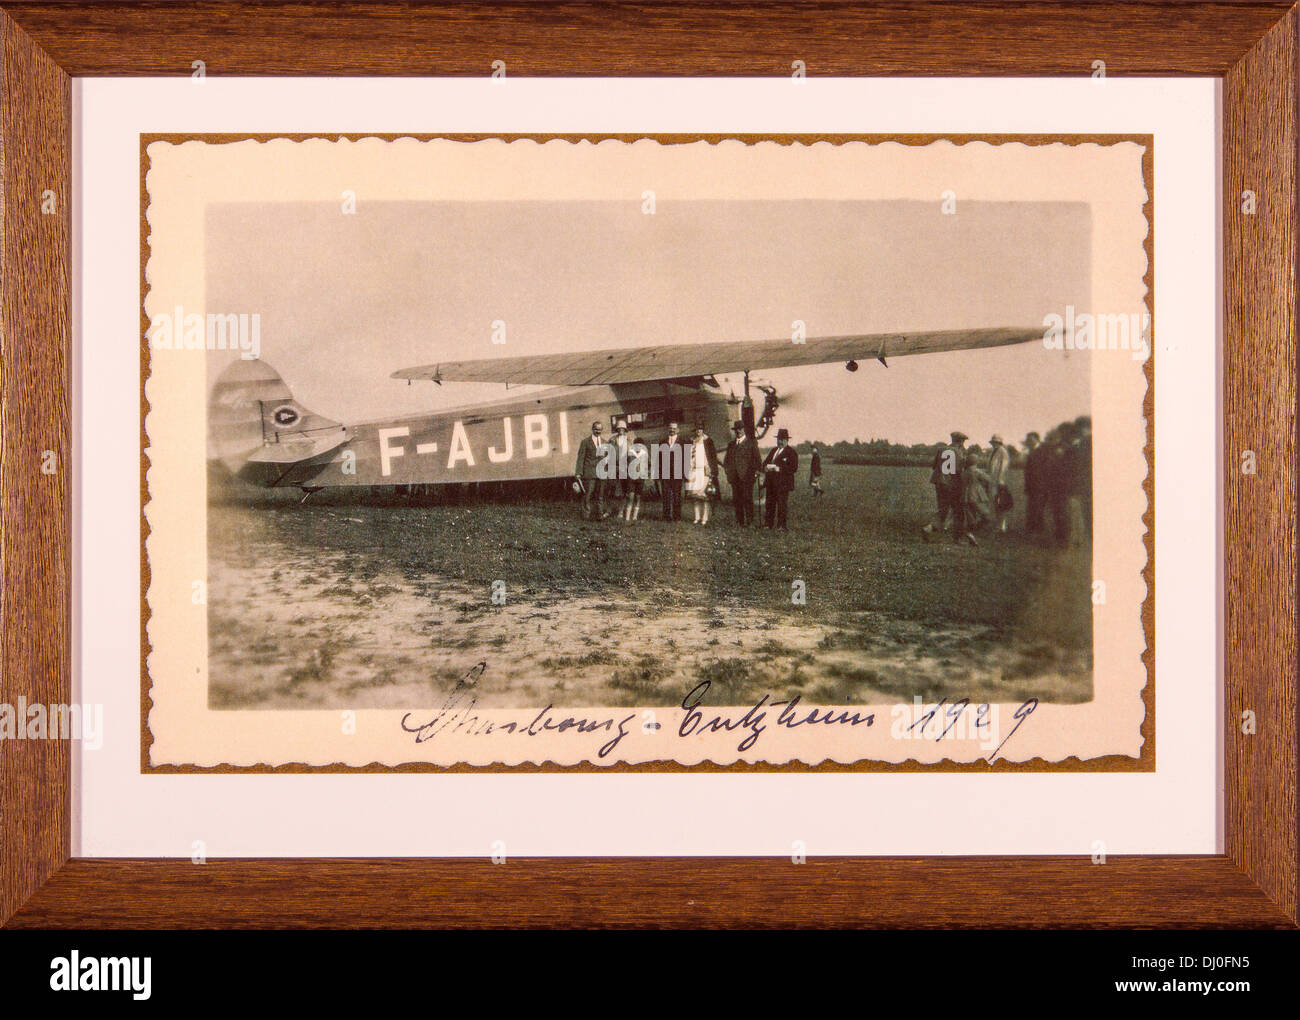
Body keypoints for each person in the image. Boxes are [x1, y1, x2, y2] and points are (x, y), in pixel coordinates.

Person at [922, 430, 967, 541]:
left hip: (938, 482)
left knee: (943, 509)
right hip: (951, 483)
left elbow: (934, 466)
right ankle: (957, 538)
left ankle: (929, 528)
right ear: (961, 442)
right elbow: (958, 471)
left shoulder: (941, 449)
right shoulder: (959, 452)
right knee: (958, 511)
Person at [761, 427, 799, 529]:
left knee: (782, 505)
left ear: (787, 440)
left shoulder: (791, 452)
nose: (780, 441)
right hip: (771, 482)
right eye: (778, 439)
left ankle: (781, 526)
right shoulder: (773, 450)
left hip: (783, 484)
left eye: (782, 439)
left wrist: (780, 469)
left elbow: (794, 468)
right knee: (769, 504)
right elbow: (765, 462)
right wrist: (765, 467)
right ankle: (768, 524)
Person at [723, 419, 759, 525]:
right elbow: (726, 461)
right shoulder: (731, 444)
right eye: (736, 430)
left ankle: (750, 521)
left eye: (740, 429)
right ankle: (740, 522)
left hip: (747, 477)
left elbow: (757, 460)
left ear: (744, 430)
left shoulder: (751, 443)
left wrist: (754, 473)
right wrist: (728, 472)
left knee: (747, 499)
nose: (738, 431)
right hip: (734, 478)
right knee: (737, 500)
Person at [574, 420, 609, 520]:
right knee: (587, 495)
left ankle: (599, 515)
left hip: (602, 473)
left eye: (600, 430)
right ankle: (586, 516)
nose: (598, 432)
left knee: (600, 496)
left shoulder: (605, 442)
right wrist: (578, 472)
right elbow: (581, 458)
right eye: (596, 429)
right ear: (592, 429)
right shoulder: (585, 442)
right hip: (590, 473)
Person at [685, 423, 717, 524]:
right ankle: (697, 516)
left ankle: (705, 517)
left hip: (704, 471)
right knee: (695, 496)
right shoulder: (692, 442)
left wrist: (712, 469)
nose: (699, 431)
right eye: (697, 430)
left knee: (704, 495)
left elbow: (713, 456)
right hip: (694, 471)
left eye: (700, 429)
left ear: (703, 430)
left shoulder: (708, 441)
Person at [659, 421, 685, 521]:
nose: (672, 430)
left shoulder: (682, 442)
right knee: (666, 495)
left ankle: (677, 516)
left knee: (677, 495)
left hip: (678, 472)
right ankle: (666, 516)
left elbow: (685, 459)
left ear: (678, 430)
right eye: (670, 428)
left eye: (674, 428)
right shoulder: (662, 442)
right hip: (665, 473)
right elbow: (659, 459)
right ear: (668, 429)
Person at [987, 434, 1012, 533]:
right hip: (993, 480)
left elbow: (1003, 467)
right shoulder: (994, 451)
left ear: (999, 442)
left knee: (1000, 503)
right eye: (993, 442)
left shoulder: (1002, 451)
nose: (994, 444)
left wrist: (1000, 480)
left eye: (995, 442)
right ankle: (999, 525)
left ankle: (1001, 526)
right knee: (996, 503)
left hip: (999, 481)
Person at [1022, 431, 1046, 534]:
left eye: (1031, 440)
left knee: (1038, 507)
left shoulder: (1042, 451)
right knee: (1031, 507)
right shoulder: (1031, 452)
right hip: (1031, 484)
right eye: (1028, 440)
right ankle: (1032, 528)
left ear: (1036, 439)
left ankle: (1038, 529)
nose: (1028, 442)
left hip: (1040, 485)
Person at [623, 431, 649, 521]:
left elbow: (648, 465)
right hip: (631, 478)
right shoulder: (630, 454)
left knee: (638, 497)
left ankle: (634, 516)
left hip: (640, 478)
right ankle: (627, 517)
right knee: (630, 497)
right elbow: (625, 464)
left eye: (640, 445)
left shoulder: (645, 454)